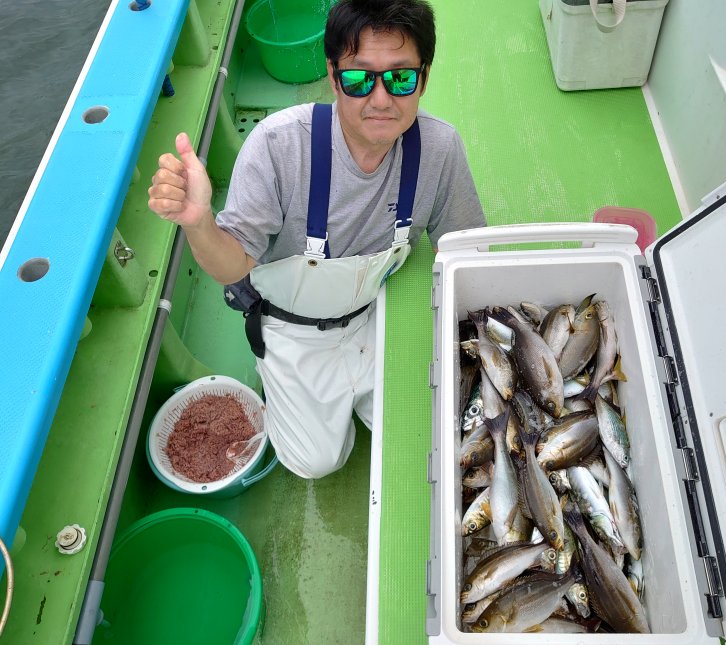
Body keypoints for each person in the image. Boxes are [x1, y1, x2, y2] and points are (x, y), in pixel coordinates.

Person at [147, 0, 486, 479]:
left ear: (424, 79)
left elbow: (466, 254)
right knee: (316, 461)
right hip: (294, 328)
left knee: (425, 425)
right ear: (332, 76)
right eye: (359, 78)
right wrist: (198, 221)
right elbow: (232, 265)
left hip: (375, 309)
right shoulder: (277, 146)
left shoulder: (440, 148)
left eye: (401, 78)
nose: (381, 99)